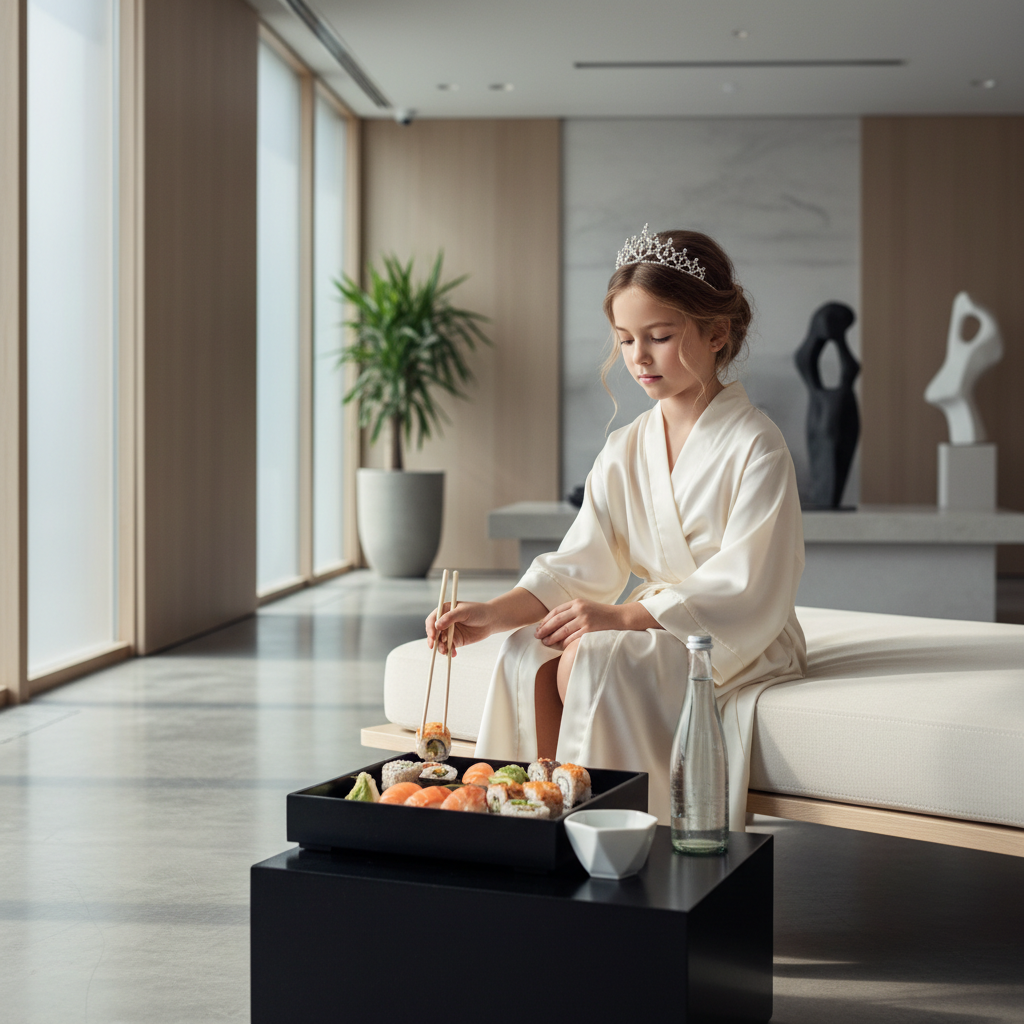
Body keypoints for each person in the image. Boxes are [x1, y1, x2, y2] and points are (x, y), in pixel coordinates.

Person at [426, 225, 806, 829]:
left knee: (599, 657)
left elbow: (750, 581)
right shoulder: (626, 447)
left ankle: (616, 832)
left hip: (731, 634)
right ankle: (530, 821)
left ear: (716, 333)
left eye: (659, 336)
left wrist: (624, 616)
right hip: (656, 623)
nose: (638, 357)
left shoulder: (756, 444)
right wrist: (494, 614)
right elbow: (583, 563)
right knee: (529, 651)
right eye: (626, 339)